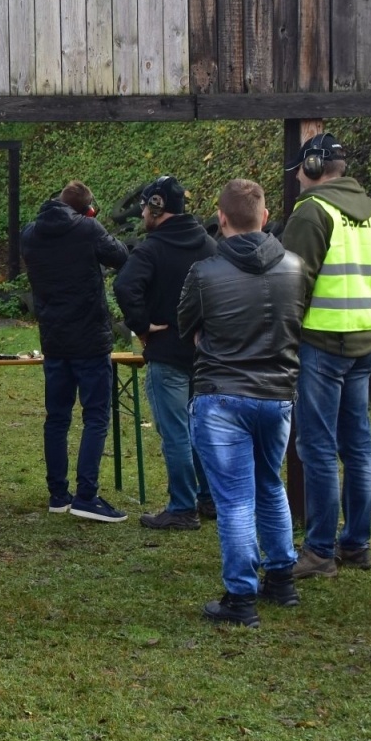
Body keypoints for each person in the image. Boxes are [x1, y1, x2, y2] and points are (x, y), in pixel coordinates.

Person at [177, 179, 306, 626]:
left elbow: (186, 326)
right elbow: (295, 324)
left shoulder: (204, 273)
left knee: (234, 500)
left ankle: (240, 597)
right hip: (277, 395)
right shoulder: (295, 267)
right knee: (271, 486)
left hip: (222, 395)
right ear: (265, 217)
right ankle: (282, 579)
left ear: (221, 218)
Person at [281, 132, 371, 578]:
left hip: (322, 343)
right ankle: (356, 544)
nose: (298, 181)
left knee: (318, 448)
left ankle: (320, 550)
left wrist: (281, 339)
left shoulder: (313, 213)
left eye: (300, 172)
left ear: (312, 166)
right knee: (358, 448)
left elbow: (291, 285)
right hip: (364, 340)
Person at [20, 180, 131, 522]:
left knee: (57, 418)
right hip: (90, 340)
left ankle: (58, 494)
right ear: (86, 209)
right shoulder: (87, 228)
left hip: (54, 339)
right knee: (95, 416)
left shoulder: (30, 233)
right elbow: (121, 257)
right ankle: (86, 495)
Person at [113, 176, 218, 530]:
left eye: (145, 205)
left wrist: (141, 325)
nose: (142, 212)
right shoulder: (208, 244)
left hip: (167, 352)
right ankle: (209, 499)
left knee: (175, 432)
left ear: (157, 208)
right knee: (202, 429)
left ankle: (182, 507)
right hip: (203, 354)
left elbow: (125, 285)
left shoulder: (151, 248)